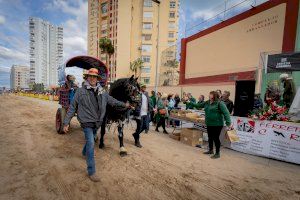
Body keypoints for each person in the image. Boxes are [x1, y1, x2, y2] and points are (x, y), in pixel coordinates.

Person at [63, 68, 130, 182]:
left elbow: (112, 101)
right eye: (91, 76)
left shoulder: (102, 91)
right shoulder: (80, 91)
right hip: (86, 121)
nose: (92, 78)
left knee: (91, 140)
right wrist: (66, 123)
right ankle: (92, 171)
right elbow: (73, 106)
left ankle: (84, 152)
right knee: (91, 142)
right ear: (87, 78)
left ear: (97, 79)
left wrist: (125, 105)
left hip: (97, 122)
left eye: (95, 77)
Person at [188, 91, 231, 159]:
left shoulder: (220, 103)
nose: (209, 95)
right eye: (209, 94)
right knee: (210, 137)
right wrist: (189, 101)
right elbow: (198, 105)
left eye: (211, 94)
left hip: (217, 124)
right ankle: (210, 150)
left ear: (214, 95)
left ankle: (217, 153)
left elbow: (226, 113)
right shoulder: (207, 102)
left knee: (216, 138)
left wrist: (228, 123)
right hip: (209, 123)